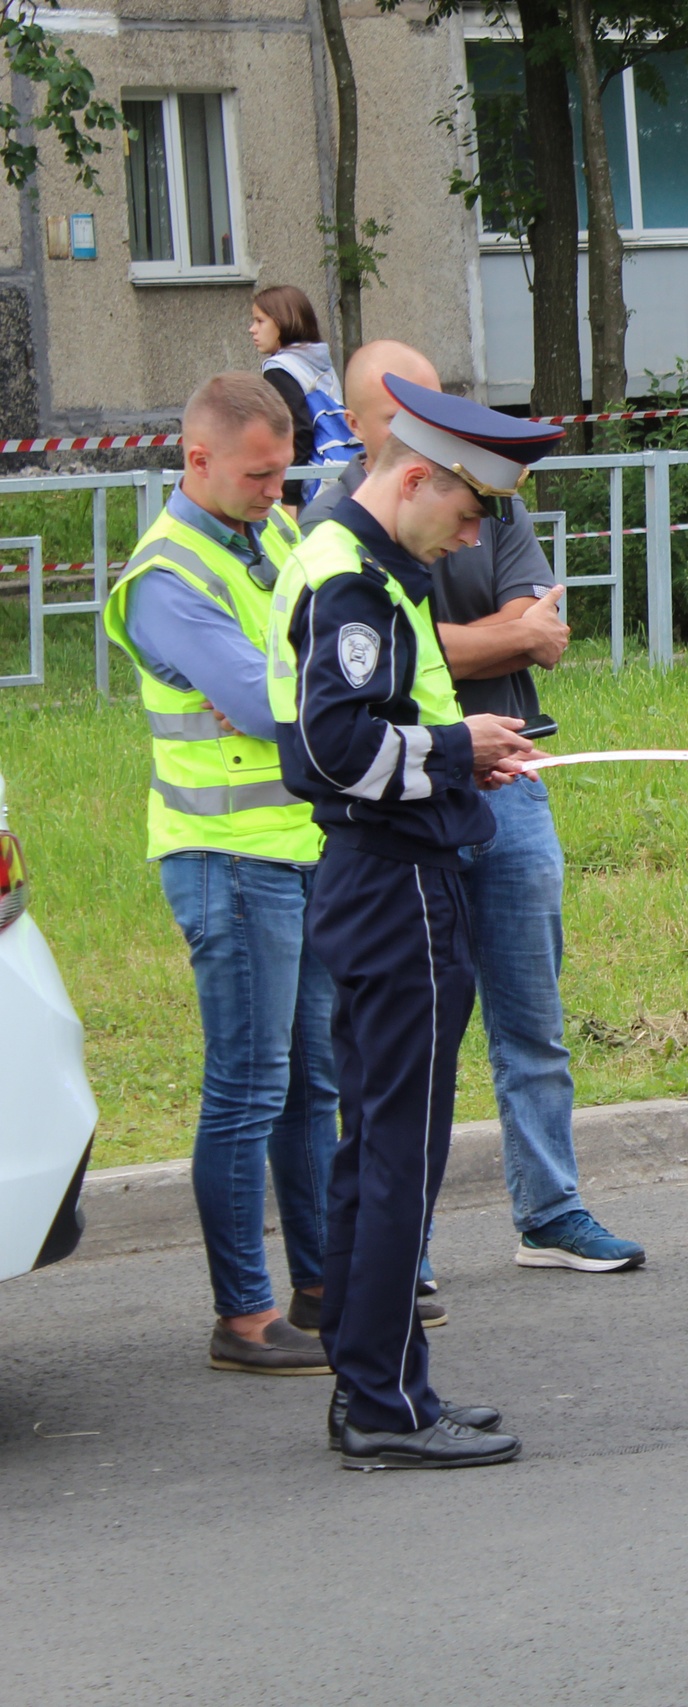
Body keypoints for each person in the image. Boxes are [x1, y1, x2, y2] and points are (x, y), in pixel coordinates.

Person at [301, 342, 643, 1281]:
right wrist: (488, 655)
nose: (467, 533)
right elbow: (375, 691)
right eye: (404, 407)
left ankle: (549, 1210)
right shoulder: (341, 535)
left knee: (531, 1013)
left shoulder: (475, 495)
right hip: (409, 818)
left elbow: (545, 629)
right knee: (411, 1056)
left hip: (503, 783)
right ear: (377, 431)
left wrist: (490, 650)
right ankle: (396, 1256)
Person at [270, 373, 561, 1470]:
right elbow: (333, 752)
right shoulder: (350, 581)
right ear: (416, 476)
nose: (472, 533)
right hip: (394, 886)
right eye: (470, 509)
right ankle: (384, 1407)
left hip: (394, 868)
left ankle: (378, 1380)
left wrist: (454, 762)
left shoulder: (374, 568)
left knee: (380, 1148)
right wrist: (456, 755)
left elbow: (379, 732)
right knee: (400, 1151)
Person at [100, 373, 334, 1377]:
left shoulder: (270, 534)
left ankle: (324, 1286)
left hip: (299, 847)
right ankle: (242, 1317)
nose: (278, 494)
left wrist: (291, 687)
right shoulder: (165, 577)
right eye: (258, 475)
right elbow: (267, 695)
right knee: (249, 1087)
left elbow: (319, 672)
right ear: (196, 459)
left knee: (310, 1082)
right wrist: (292, 688)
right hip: (226, 861)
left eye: (286, 475)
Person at [248, 286, 358, 509]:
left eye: (260, 321)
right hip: (338, 474)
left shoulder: (278, 368)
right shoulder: (318, 360)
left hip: (308, 487)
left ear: (282, 322)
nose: (252, 329)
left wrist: (289, 497)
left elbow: (298, 431)